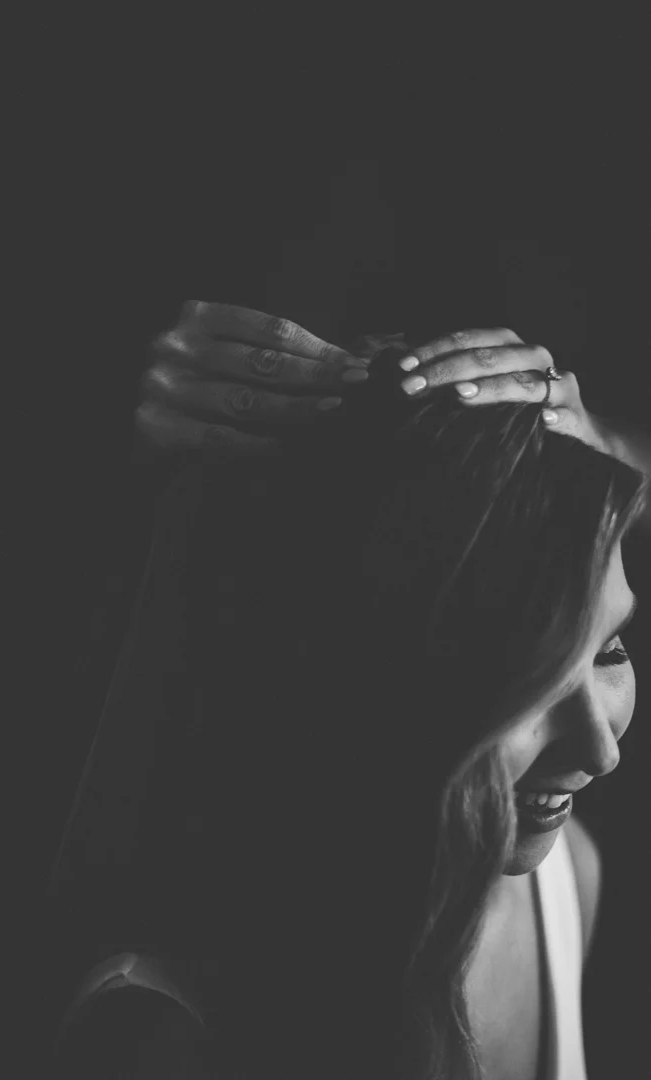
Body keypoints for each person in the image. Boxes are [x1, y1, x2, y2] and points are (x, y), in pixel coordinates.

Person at [46, 302, 649, 1079]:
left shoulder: (564, 884)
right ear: (368, 678)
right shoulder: (168, 1040)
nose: (601, 753)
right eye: (524, 684)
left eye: (610, 650)